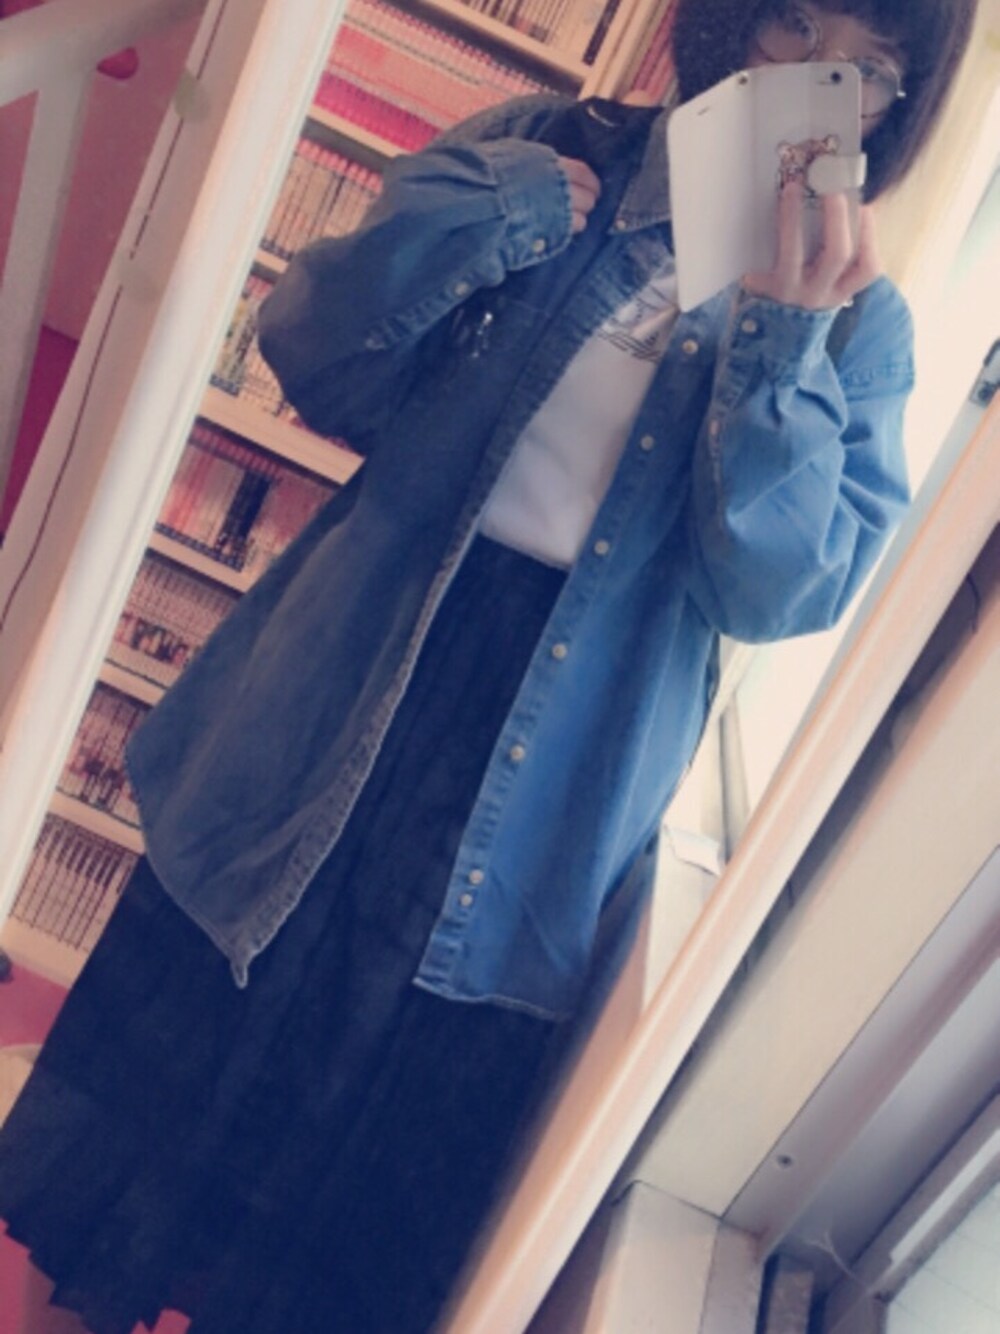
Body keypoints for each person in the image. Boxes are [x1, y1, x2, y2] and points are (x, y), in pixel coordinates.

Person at [0, 2, 976, 1331]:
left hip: (546, 783)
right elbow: (316, 356)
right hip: (347, 678)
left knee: (344, 1179)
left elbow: (778, 589)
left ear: (894, 110)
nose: (814, 80)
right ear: (729, 23)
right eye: (792, 26)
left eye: (867, 69)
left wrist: (784, 335)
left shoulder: (861, 329)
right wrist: (496, 212)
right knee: (164, 1084)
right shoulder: (548, 146)